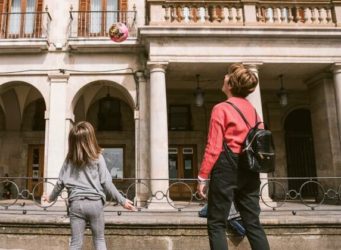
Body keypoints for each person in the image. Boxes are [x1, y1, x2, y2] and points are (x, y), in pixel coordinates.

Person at [197, 63, 270, 250]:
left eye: (227, 76)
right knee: (253, 223)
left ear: (230, 85)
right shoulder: (253, 110)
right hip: (250, 169)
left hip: (226, 168)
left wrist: (203, 177)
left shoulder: (221, 108)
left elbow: (213, 147)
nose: (224, 77)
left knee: (216, 223)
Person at [43, 121, 135, 250]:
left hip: (76, 204)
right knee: (99, 240)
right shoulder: (98, 157)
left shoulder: (69, 159)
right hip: (95, 204)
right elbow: (106, 183)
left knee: (76, 243)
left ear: (72, 141)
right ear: (91, 138)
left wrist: (50, 198)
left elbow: (60, 183)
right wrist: (122, 201)